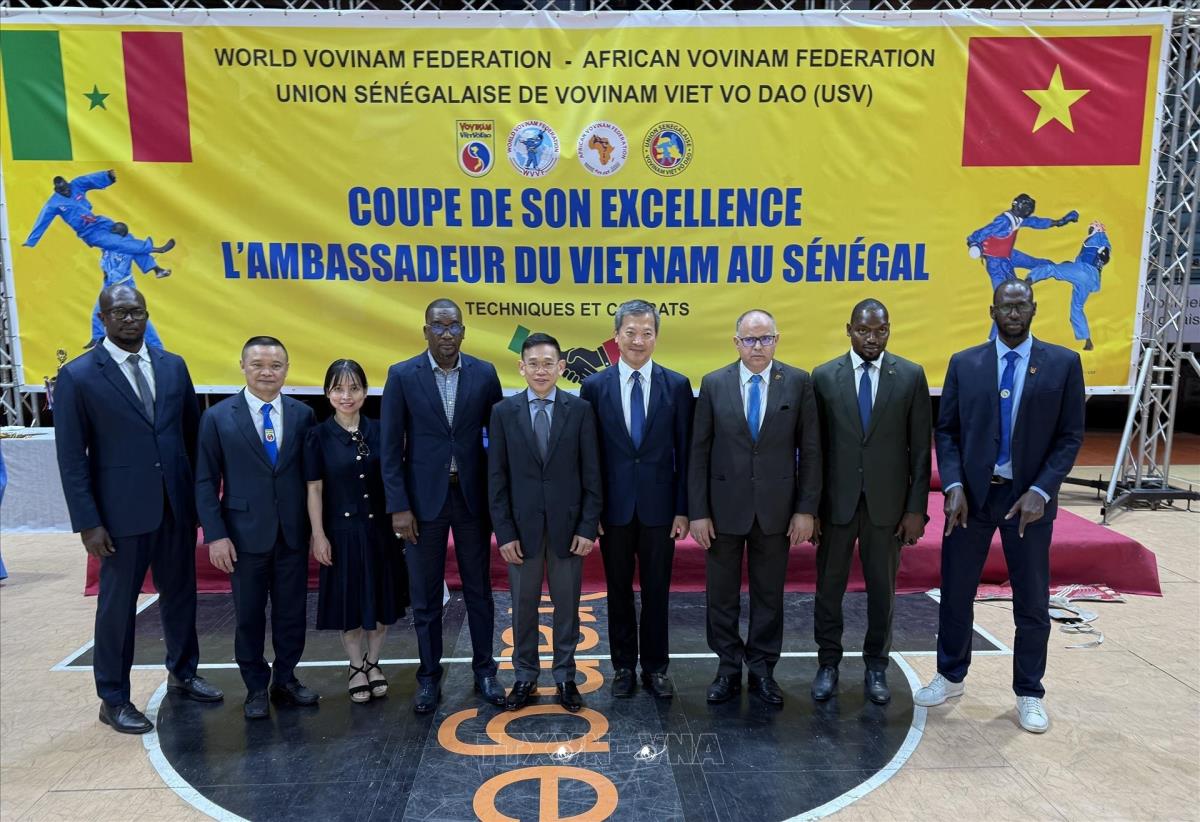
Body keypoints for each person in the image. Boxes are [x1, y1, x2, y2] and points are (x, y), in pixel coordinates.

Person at [915, 279, 1085, 734]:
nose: (1013, 312)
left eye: (1021, 305)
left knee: (1031, 600)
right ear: (992, 311)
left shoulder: (1063, 363)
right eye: (1005, 306)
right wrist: (953, 484)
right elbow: (947, 431)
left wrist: (1043, 490)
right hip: (972, 499)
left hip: (1028, 501)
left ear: (1033, 308)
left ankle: (1029, 691)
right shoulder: (965, 363)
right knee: (956, 591)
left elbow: (1070, 436)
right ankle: (950, 675)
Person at [53, 284, 221, 734]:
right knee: (118, 607)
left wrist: (199, 503)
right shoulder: (79, 375)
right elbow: (71, 458)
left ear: (147, 315)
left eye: (137, 312)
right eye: (120, 312)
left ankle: (183, 673)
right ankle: (113, 698)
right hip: (119, 516)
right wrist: (88, 522)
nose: (130, 319)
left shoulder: (172, 366)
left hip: (175, 507)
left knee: (181, 596)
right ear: (103, 318)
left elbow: (191, 438)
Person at [689, 309, 821, 706]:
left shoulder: (797, 382)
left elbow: (811, 451)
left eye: (765, 338)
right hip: (722, 511)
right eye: (749, 339)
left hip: (776, 511)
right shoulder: (714, 383)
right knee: (721, 597)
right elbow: (698, 452)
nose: (757, 346)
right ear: (736, 343)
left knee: (769, 596)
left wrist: (806, 509)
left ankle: (763, 669)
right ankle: (728, 668)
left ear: (776, 340)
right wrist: (698, 512)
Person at [381, 299, 505, 714]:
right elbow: (390, 448)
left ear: (464, 332)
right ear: (426, 331)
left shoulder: (485, 374)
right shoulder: (402, 375)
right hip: (421, 504)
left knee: (479, 591)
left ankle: (485, 670)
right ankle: (429, 676)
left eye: (453, 326)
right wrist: (399, 505)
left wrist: (497, 499)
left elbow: (498, 442)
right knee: (426, 595)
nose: (447, 333)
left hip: (471, 500)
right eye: (439, 326)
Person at [810, 299, 932, 705]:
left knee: (883, 591)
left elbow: (920, 450)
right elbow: (814, 450)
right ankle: (828, 663)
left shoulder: (910, 376)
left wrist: (915, 509)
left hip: (888, 507)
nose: (872, 338)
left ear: (889, 330)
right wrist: (811, 509)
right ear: (849, 330)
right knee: (829, 589)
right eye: (863, 330)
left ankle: (877, 666)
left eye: (880, 330)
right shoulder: (824, 377)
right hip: (836, 506)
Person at [195, 336, 318, 720]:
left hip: (292, 534)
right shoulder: (217, 417)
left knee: (291, 614)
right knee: (249, 617)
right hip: (242, 536)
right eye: (258, 365)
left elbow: (313, 479)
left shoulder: (303, 414)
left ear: (287, 369)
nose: (267, 372)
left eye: (276, 365)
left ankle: (286, 679)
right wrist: (215, 535)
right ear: (243, 366)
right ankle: (254, 688)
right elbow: (204, 481)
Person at [579, 299, 692, 699]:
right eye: (630, 332)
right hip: (614, 510)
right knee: (618, 591)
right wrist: (591, 511)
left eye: (646, 333)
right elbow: (588, 456)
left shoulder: (677, 386)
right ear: (616, 336)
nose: (638, 340)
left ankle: (656, 668)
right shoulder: (594, 387)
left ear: (656, 337)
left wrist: (683, 508)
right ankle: (624, 667)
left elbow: (686, 454)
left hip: (661, 510)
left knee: (658, 591)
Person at [488, 333, 603, 713]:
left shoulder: (580, 410)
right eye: (533, 363)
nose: (541, 370)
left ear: (561, 367)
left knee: (567, 607)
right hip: (521, 532)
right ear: (521, 367)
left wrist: (587, 527)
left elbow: (592, 473)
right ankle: (525, 676)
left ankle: (566, 676)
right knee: (523, 608)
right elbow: (497, 478)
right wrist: (504, 532)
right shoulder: (503, 412)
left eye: (548, 363)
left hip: (568, 531)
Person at [306, 359, 410, 703]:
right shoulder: (317, 436)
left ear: (366, 392)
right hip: (342, 533)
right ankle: (355, 666)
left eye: (354, 388)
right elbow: (314, 489)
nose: (346, 396)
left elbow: (396, 475)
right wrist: (318, 534)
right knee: (349, 607)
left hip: (380, 532)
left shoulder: (382, 430)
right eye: (338, 389)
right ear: (327, 393)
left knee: (381, 604)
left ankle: (374, 662)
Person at [24, 170, 175, 256]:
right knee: (118, 243)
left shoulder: (76, 184)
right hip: (88, 232)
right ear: (57, 190)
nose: (67, 192)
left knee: (122, 231)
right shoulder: (53, 203)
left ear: (68, 184)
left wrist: (108, 176)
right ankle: (155, 249)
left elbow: (90, 180)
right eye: (63, 191)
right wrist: (31, 241)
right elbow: (42, 221)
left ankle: (154, 265)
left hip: (97, 221)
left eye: (67, 188)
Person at [1025, 221, 1110, 351]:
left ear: (1097, 230)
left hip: (1084, 271)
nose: (1089, 230)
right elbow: (1101, 255)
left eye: (1091, 228)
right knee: (1077, 307)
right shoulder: (1101, 241)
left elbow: (1104, 254)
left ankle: (1029, 281)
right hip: (1091, 280)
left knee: (1051, 268)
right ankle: (1087, 340)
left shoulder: (1097, 238)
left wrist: (1103, 253)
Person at [85, 222, 169, 350]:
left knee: (137, 315)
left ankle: (155, 345)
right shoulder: (108, 244)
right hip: (108, 284)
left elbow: (143, 254)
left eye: (116, 235)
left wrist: (157, 264)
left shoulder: (130, 247)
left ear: (123, 235)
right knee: (99, 312)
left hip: (125, 285)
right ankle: (97, 339)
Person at [966, 194, 1078, 290]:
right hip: (996, 260)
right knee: (1004, 287)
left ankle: (1059, 269)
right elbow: (984, 232)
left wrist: (1059, 222)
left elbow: (1035, 222)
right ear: (1022, 208)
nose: (1029, 212)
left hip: (1009, 254)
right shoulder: (1004, 221)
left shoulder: (1017, 218)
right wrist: (973, 243)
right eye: (1028, 209)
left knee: (1034, 263)